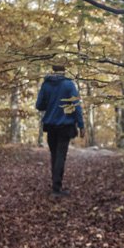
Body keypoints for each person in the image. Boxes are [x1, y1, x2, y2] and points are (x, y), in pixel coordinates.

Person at [36, 62, 85, 196]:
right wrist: (81, 125)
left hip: (50, 125)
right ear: (64, 70)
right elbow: (76, 106)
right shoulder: (69, 85)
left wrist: (51, 103)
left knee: (54, 155)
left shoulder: (46, 84)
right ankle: (56, 189)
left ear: (53, 69)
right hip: (65, 126)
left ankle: (55, 186)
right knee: (60, 156)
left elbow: (39, 105)